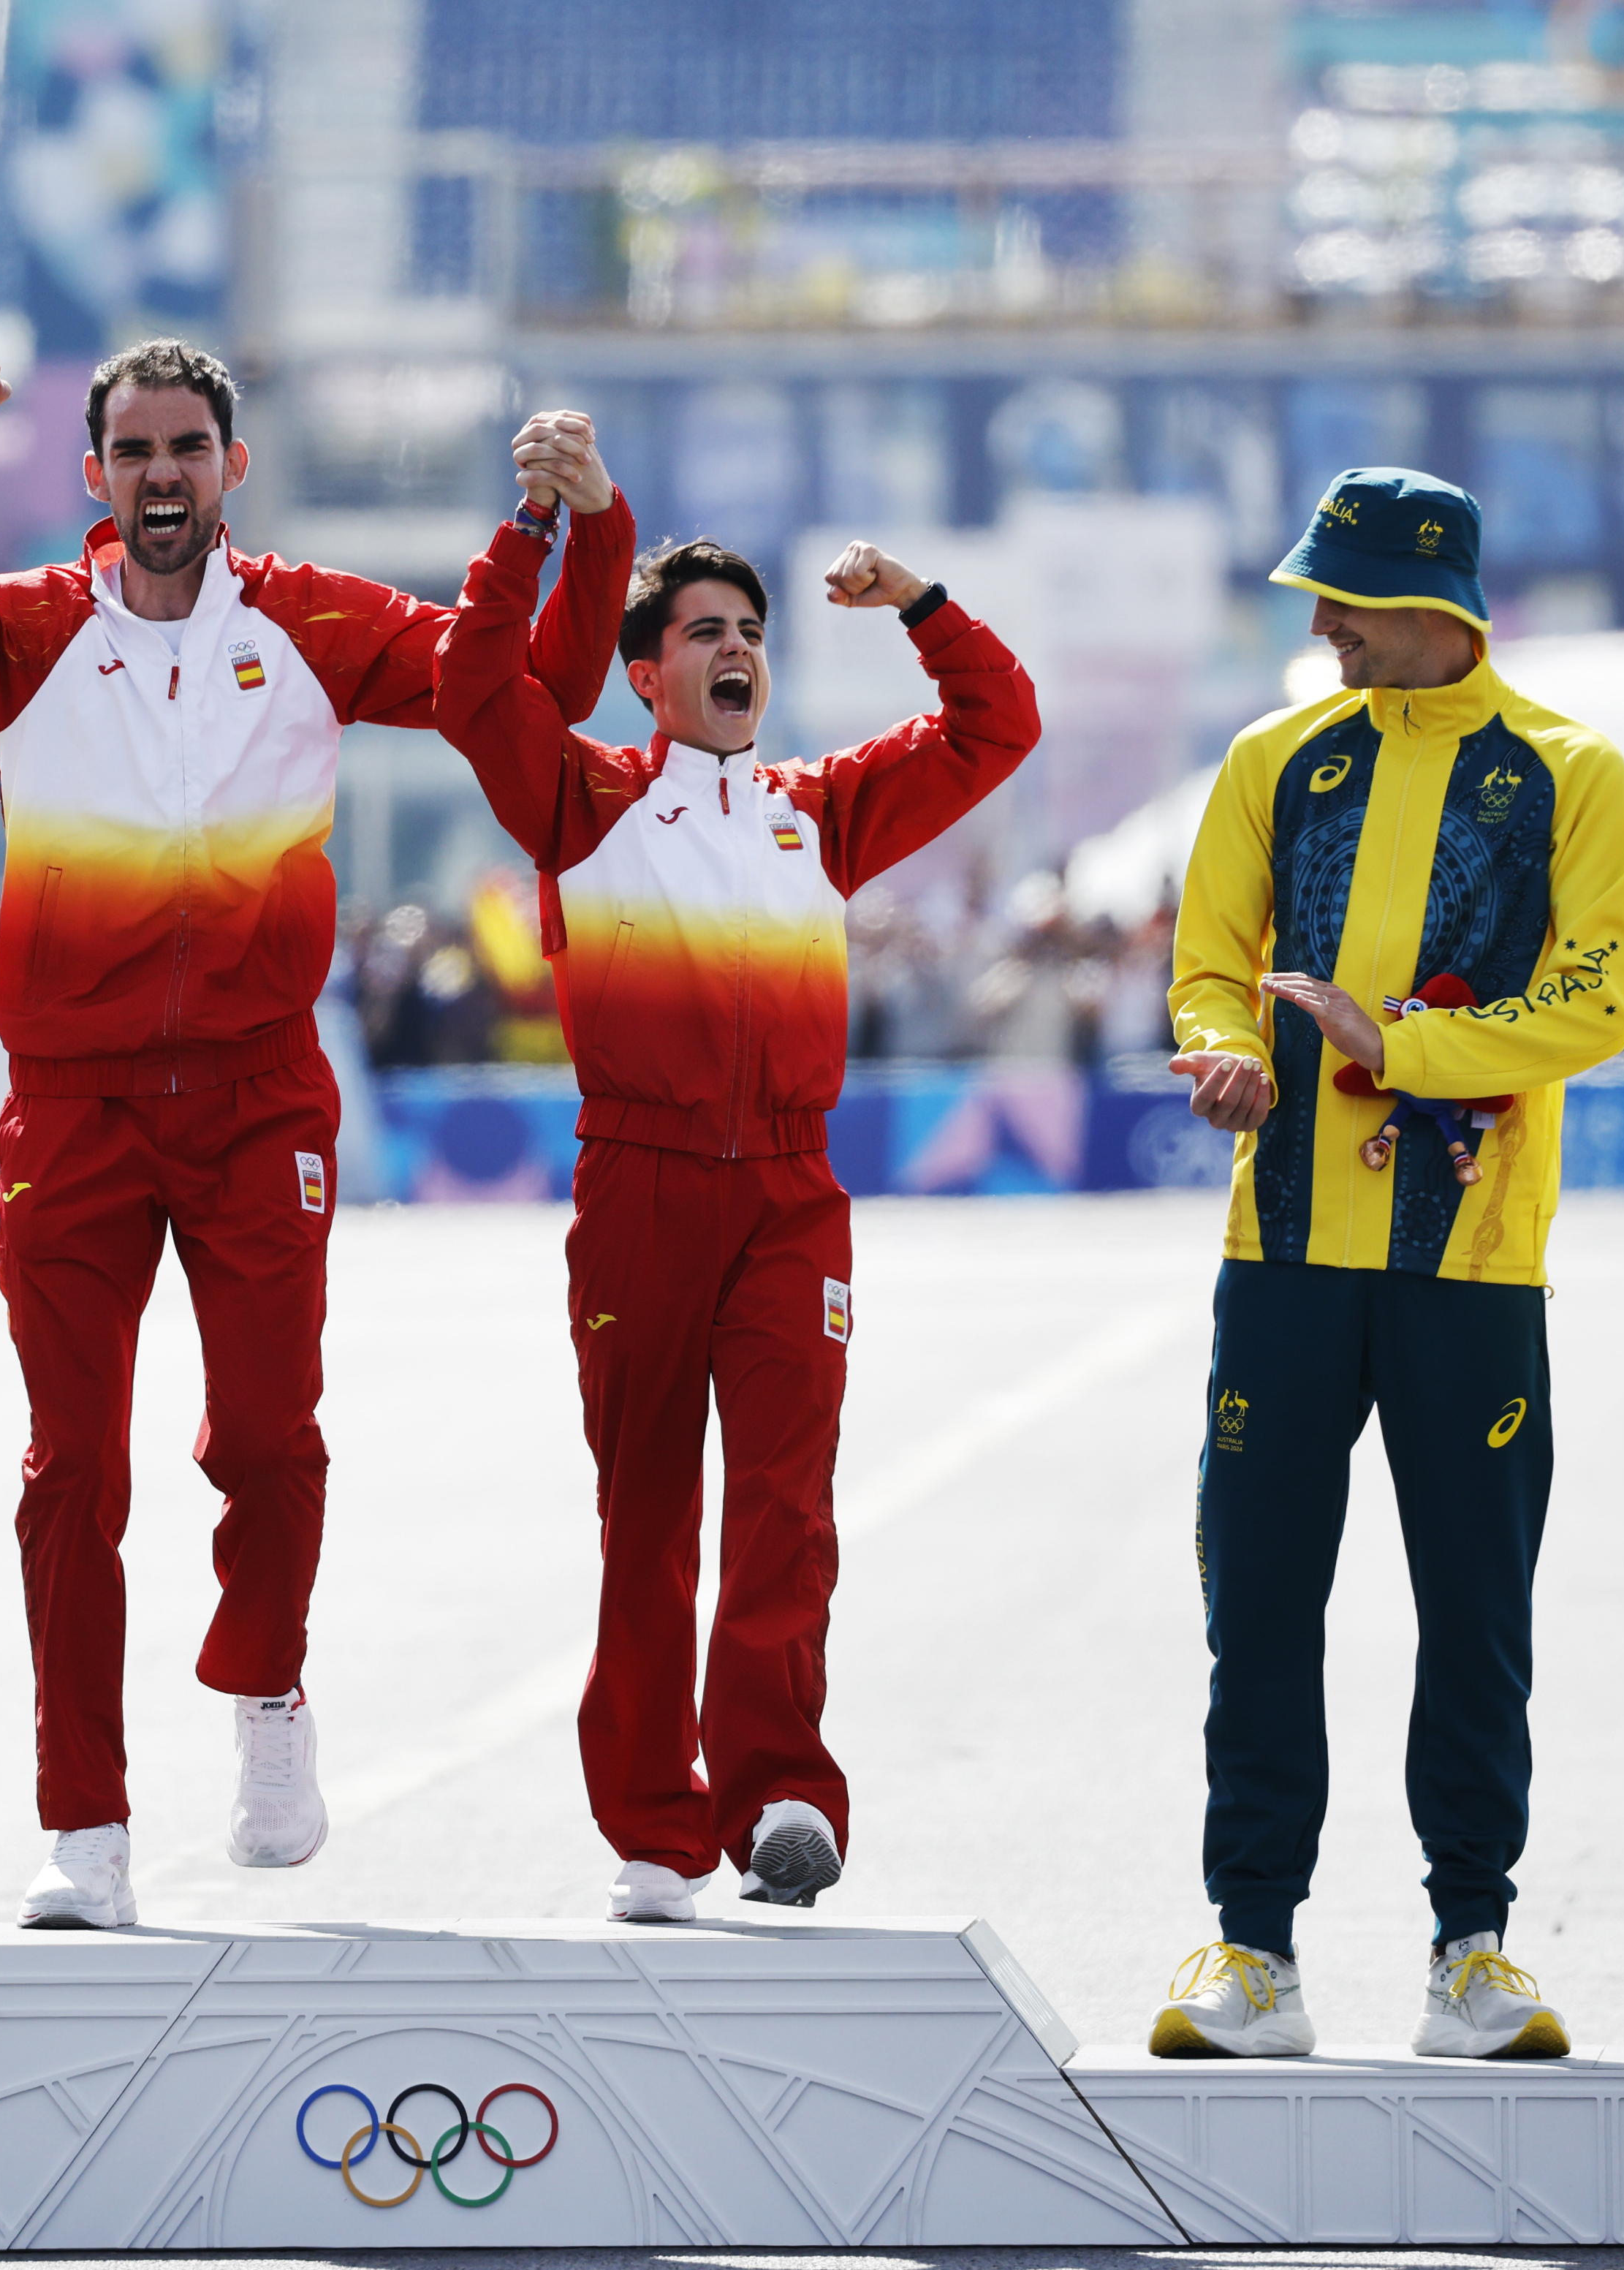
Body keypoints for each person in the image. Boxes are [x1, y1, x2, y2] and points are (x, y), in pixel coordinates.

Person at [0, 337, 627, 1926]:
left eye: (188, 446)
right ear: (95, 474)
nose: (163, 473)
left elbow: (534, 689)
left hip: (259, 1095)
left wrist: (584, 528)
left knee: (263, 1435)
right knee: (71, 1470)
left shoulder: (317, 623)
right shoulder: (25, 633)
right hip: (75, 1102)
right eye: (134, 450)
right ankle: (84, 1822)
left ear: (230, 467)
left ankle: (266, 1697)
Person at [433, 415, 1040, 1922]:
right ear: (645, 674)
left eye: (753, 631)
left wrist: (920, 604)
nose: (738, 649)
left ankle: (779, 1789)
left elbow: (995, 727)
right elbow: (465, 683)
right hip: (638, 1189)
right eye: (705, 629)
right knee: (646, 1513)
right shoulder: (581, 803)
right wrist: (540, 527)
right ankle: (652, 1819)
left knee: (786, 1498)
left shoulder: (814, 816)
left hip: (789, 1196)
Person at [1151, 469, 1624, 2060]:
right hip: (1281, 1250)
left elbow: (1596, 998)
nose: (1318, 623)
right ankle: (1248, 1947)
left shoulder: (1570, 773)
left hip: (1473, 1262)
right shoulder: (1270, 761)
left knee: (1475, 1610)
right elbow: (1209, 968)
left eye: (1342, 597)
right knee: (1260, 1603)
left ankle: (1472, 1946)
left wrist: (1401, 1044)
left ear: (1432, 602)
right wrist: (1225, 1053)